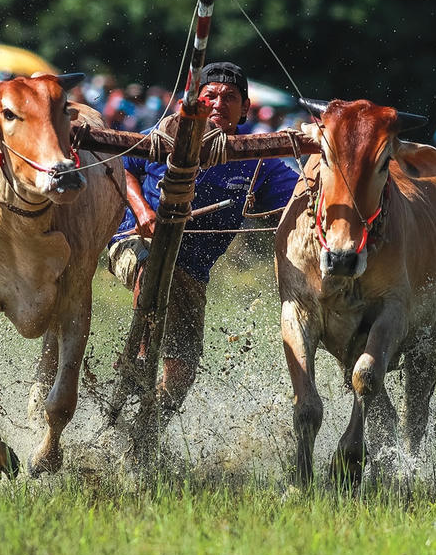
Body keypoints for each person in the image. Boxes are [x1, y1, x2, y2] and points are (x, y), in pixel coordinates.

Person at [107, 62, 302, 420]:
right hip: (134, 242)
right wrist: (143, 213)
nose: (218, 104)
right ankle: (140, 356)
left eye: (230, 97)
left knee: (181, 377)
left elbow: (299, 198)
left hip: (193, 270)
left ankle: (147, 428)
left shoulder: (257, 159)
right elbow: (124, 171)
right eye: (210, 96)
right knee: (152, 269)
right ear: (194, 101)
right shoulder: (166, 133)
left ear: (245, 108)